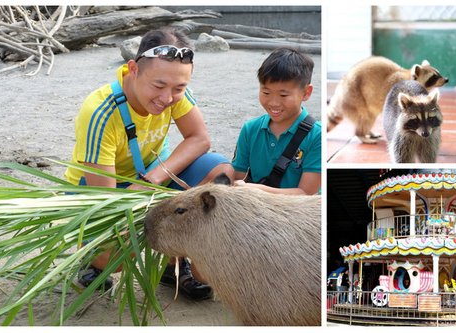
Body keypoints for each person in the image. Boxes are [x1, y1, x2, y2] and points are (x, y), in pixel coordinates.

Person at [65, 27, 233, 300]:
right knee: (118, 259)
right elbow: (107, 199)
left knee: (221, 173)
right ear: (133, 69)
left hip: (149, 179)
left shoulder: (173, 91)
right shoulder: (99, 110)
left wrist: (153, 179)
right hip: (103, 190)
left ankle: (174, 265)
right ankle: (93, 263)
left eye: (179, 88)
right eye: (158, 86)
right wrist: (144, 192)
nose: (167, 98)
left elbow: (200, 138)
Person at [232, 47, 321, 194]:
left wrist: (255, 189)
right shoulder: (250, 129)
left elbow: (306, 193)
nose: (273, 103)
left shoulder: (317, 136)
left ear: (306, 93)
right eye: (266, 92)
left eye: (283, 95)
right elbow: (236, 176)